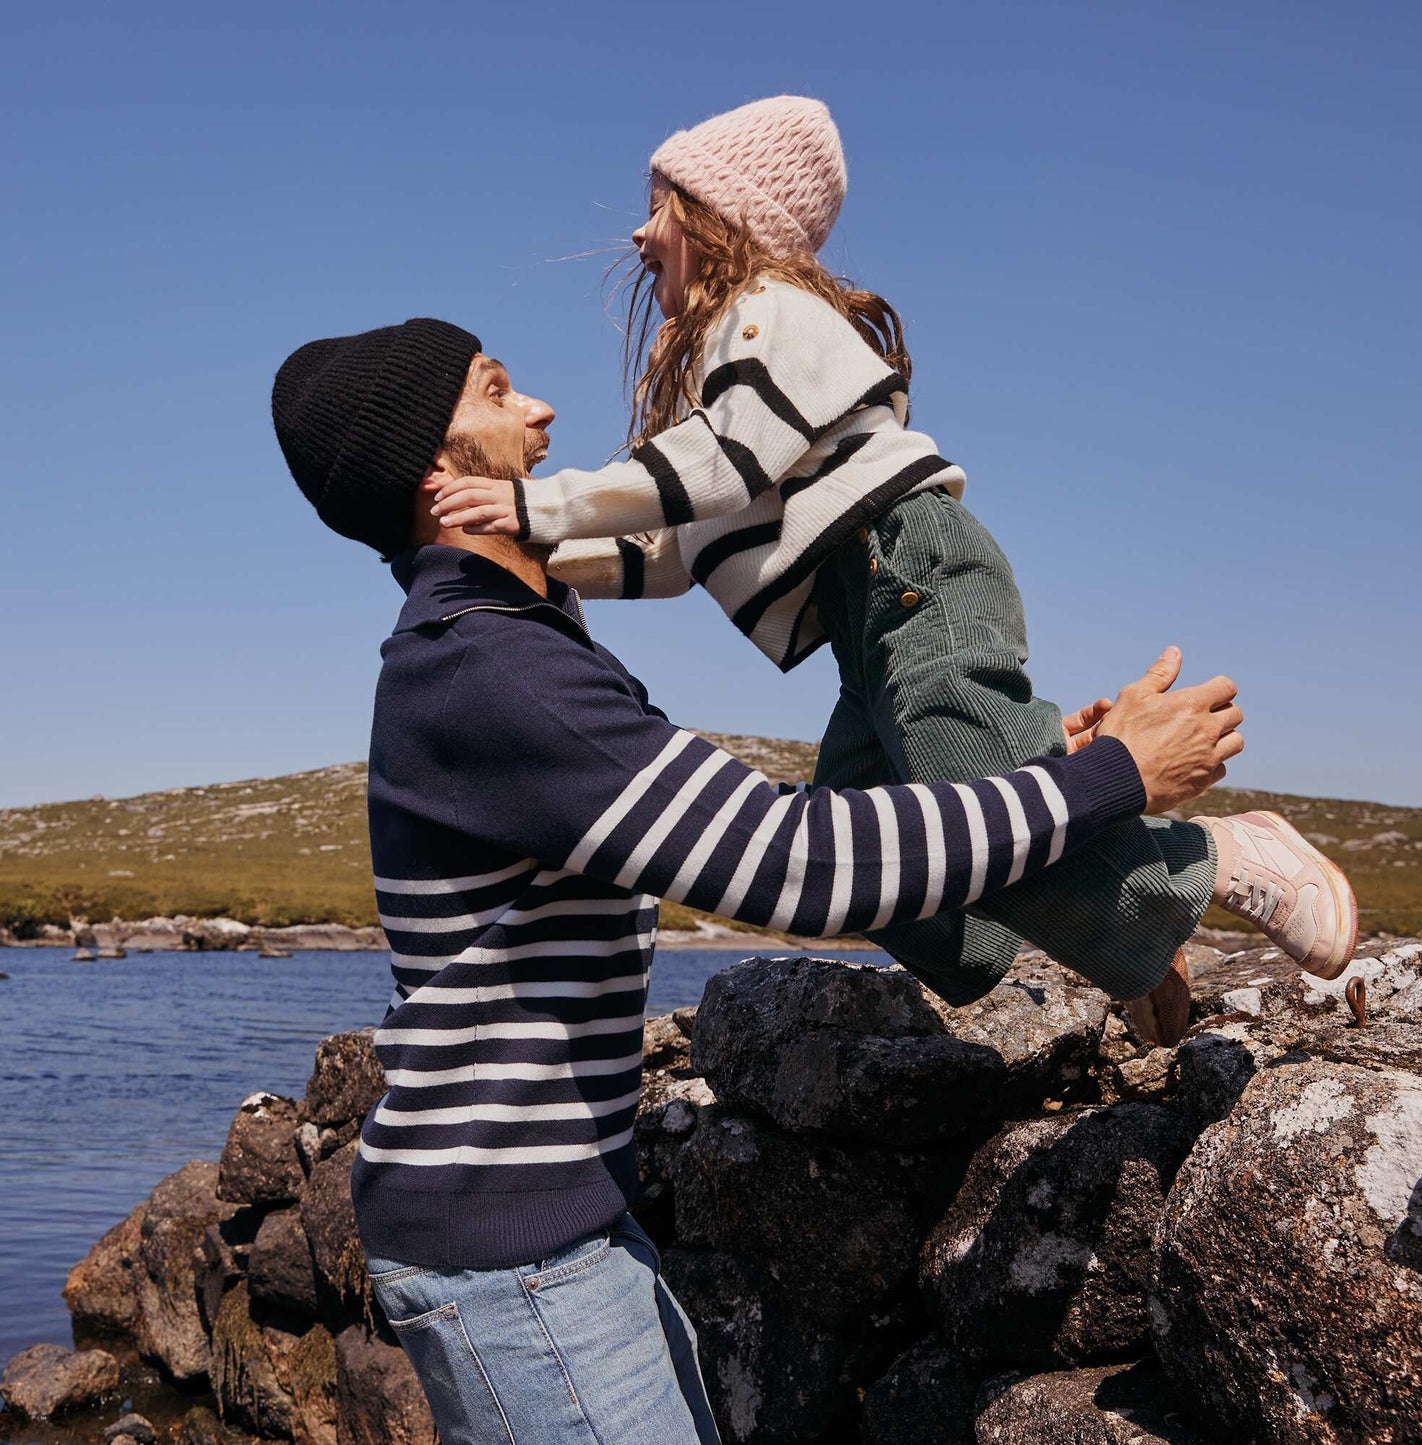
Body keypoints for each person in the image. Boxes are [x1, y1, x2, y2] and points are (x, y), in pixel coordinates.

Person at [271, 316, 1242, 1445]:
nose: (539, 413)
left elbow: (775, 832)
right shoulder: (489, 670)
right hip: (517, 1263)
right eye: (496, 392)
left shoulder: (495, 648)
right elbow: (799, 865)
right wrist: (1114, 779)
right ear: (437, 472)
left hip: (548, 1230)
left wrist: (1055, 776)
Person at [426, 95, 1358, 1045]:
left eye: (662, 202)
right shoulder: (724, 362)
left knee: (968, 777)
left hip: (911, 567)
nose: (638, 228)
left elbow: (724, 461)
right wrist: (541, 554)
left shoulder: (769, 316)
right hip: (860, 611)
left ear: (723, 218)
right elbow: (680, 541)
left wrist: (538, 508)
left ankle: (1220, 855)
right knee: (881, 870)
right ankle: (1121, 935)